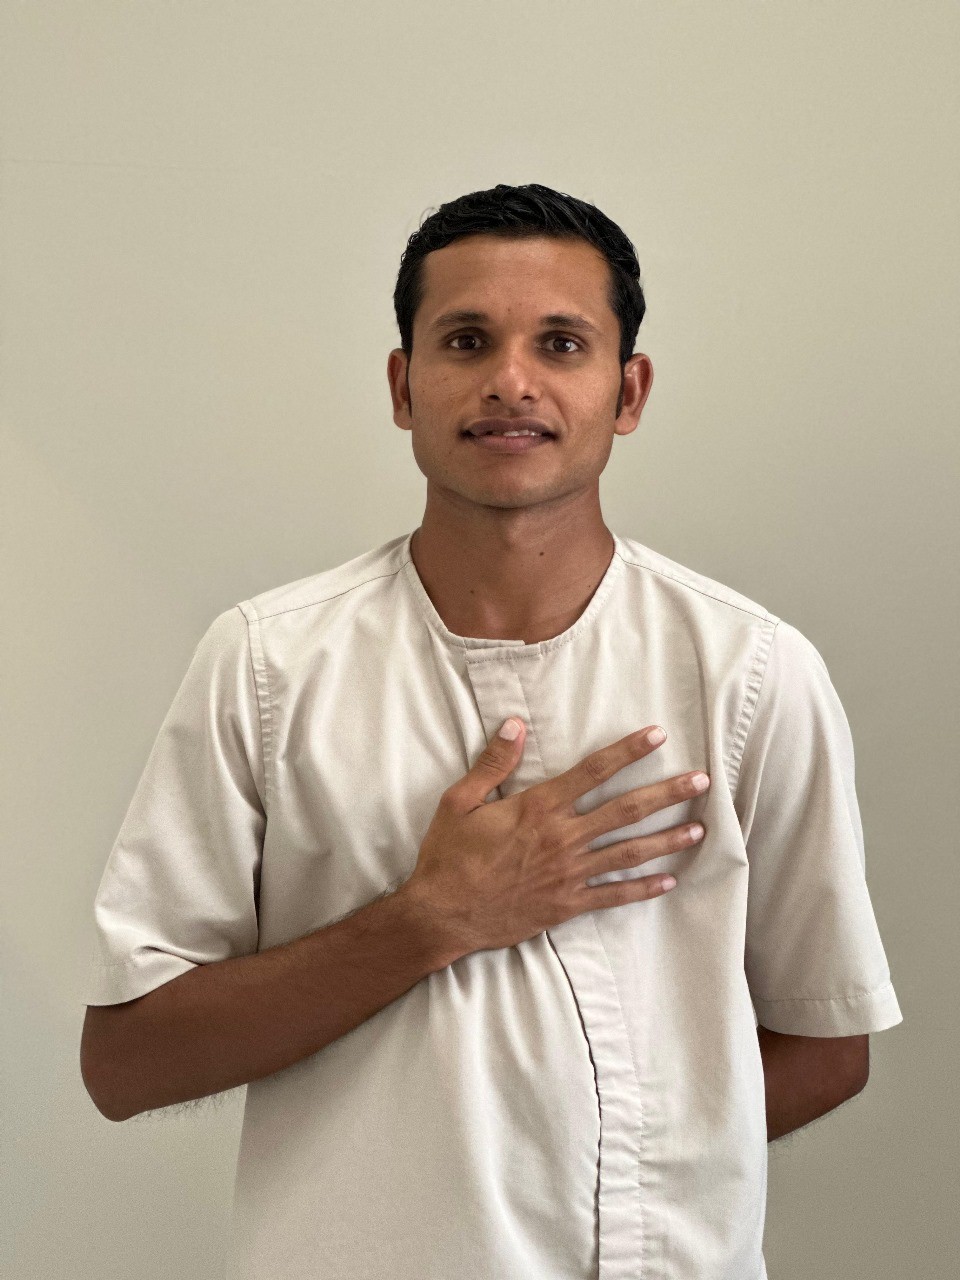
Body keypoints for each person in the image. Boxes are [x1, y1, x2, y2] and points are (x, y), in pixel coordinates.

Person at [80, 182, 903, 1280]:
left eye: (561, 343)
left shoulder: (750, 671)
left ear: (627, 390)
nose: (511, 380)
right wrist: (430, 919)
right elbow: (126, 1060)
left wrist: (596, 1190)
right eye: (466, 340)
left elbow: (827, 1041)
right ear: (403, 384)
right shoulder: (267, 664)